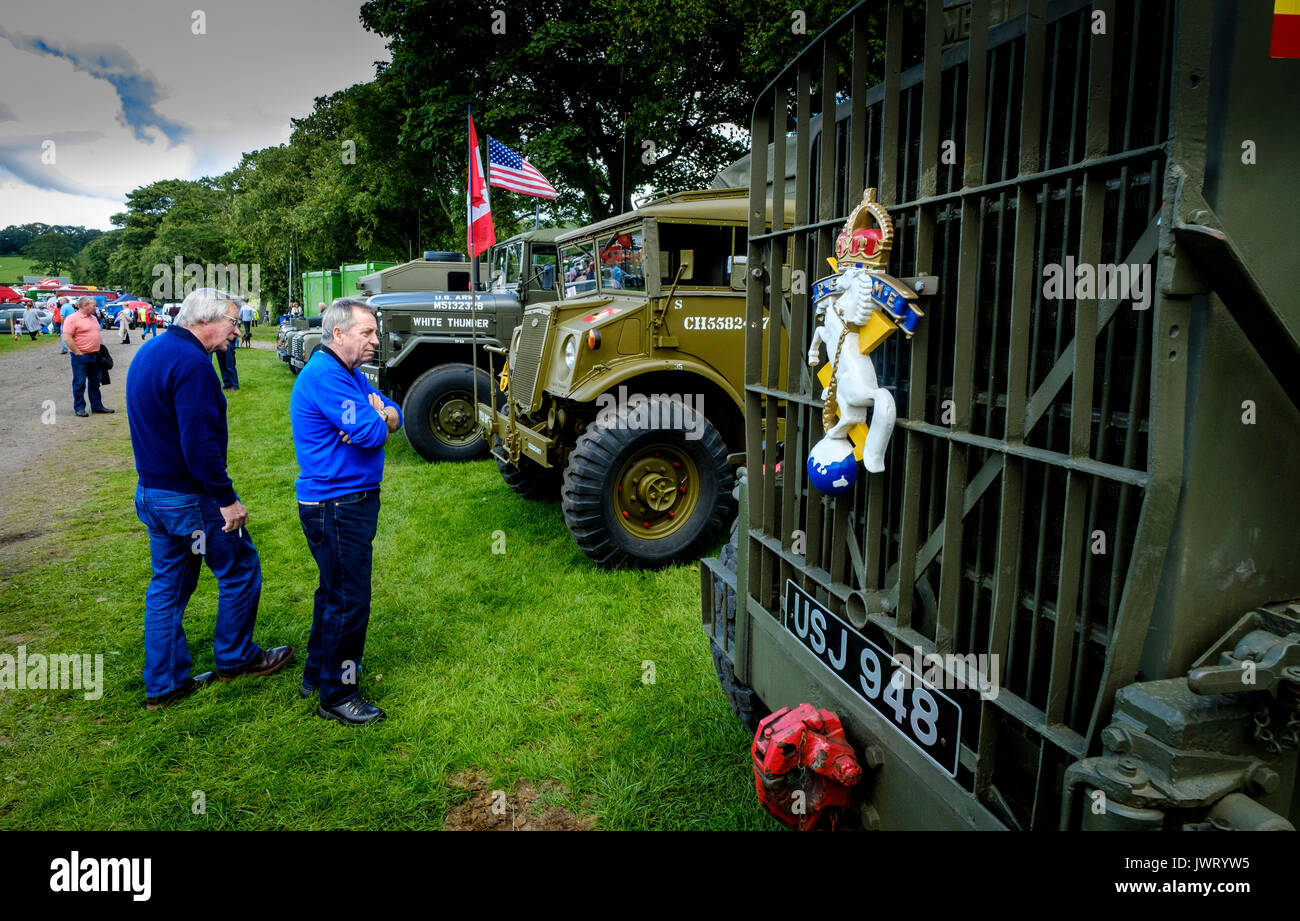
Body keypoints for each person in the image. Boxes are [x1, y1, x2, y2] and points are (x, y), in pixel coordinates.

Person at [126, 287, 293, 710]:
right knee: (239, 567)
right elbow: (199, 444)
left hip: (152, 493)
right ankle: (236, 658)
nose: (237, 331)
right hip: (189, 497)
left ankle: (165, 686)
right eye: (232, 322)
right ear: (205, 320)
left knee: (168, 586)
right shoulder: (193, 364)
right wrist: (226, 499)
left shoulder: (151, 351)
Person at [290, 297, 402, 725]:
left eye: (374, 332)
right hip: (337, 504)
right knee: (349, 600)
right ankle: (338, 694)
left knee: (333, 592)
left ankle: (316, 677)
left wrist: (384, 414)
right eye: (367, 332)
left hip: (345, 501)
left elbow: (395, 414)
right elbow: (372, 433)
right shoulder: (327, 377)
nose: (376, 339)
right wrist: (378, 421)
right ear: (338, 334)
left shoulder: (348, 374)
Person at [61, 296, 112, 417]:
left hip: (95, 355)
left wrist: (102, 350)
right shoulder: (72, 319)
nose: (96, 307)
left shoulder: (93, 318)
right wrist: (77, 352)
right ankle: (79, 407)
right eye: (94, 305)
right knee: (79, 383)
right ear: (84, 306)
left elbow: (96, 334)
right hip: (81, 356)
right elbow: (67, 337)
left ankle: (96, 405)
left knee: (95, 382)